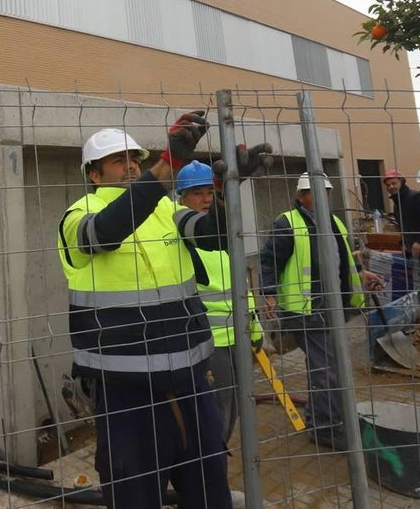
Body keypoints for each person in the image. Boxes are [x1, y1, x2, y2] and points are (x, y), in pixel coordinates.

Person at [59, 117, 234, 509]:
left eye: (134, 159)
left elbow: (213, 235)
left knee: (211, 493)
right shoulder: (77, 216)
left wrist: (227, 191)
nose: (131, 166)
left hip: (190, 380)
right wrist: (166, 166)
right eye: (118, 160)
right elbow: (107, 231)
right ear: (93, 174)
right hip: (126, 391)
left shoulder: (165, 208)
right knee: (136, 497)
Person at [258, 172, 383, 450]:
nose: (323, 198)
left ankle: (322, 418)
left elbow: (345, 258)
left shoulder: (334, 222)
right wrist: (269, 294)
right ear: (302, 196)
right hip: (305, 310)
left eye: (325, 193)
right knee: (327, 368)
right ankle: (326, 429)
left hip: (333, 307)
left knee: (327, 366)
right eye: (316, 193)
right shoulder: (287, 223)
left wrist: (362, 273)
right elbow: (269, 260)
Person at [173, 160, 264, 446]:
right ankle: (210, 468)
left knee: (235, 407)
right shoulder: (182, 236)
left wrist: (256, 330)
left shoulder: (223, 235)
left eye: (210, 192)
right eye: (197, 193)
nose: (206, 199)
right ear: (182, 197)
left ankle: (216, 463)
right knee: (216, 413)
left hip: (239, 337)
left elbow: (241, 288)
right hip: (209, 344)